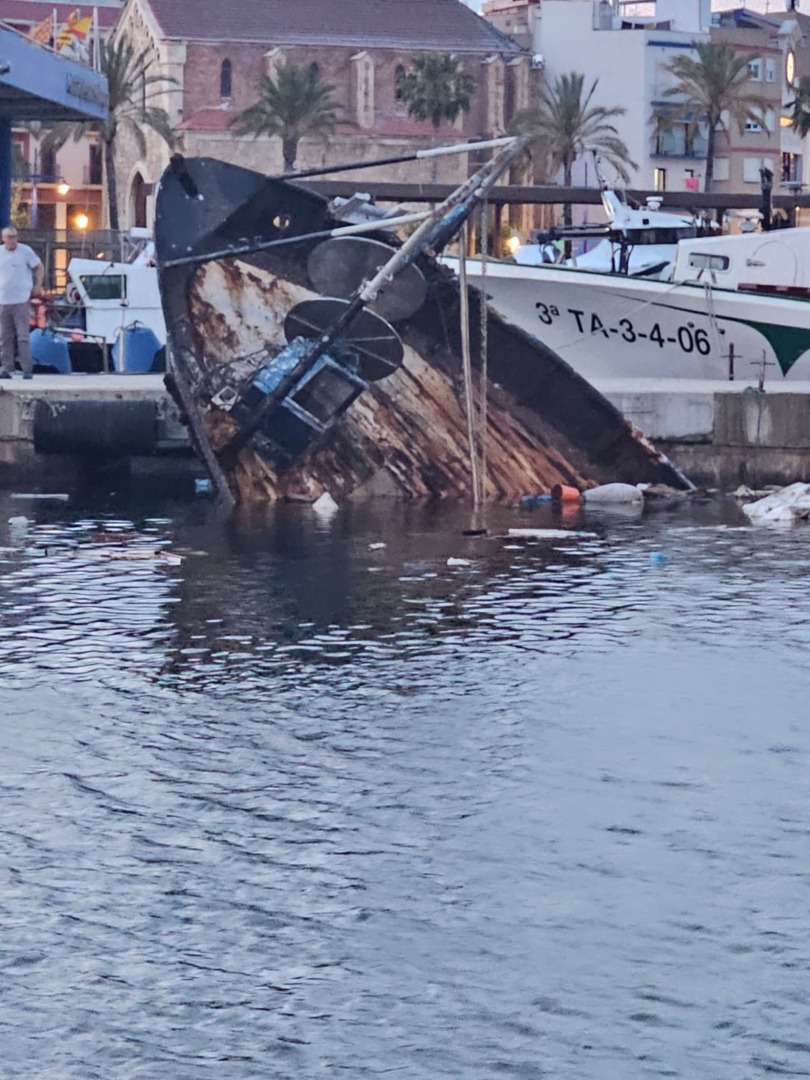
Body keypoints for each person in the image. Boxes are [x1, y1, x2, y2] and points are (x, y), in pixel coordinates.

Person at [0, 226, 43, 380]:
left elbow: (38, 267)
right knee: (5, 336)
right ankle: (6, 367)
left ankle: (26, 368)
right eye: (9, 237)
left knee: (22, 336)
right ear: (3, 238)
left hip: (20, 300)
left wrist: (38, 285)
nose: (12, 240)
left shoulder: (25, 251)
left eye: (14, 236)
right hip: (3, 301)